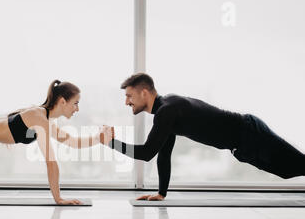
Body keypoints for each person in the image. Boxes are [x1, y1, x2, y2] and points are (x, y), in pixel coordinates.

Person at [107, 73, 305, 200]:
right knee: (288, 171)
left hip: (250, 133)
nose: (126, 102)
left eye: (129, 96)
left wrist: (110, 142)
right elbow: (163, 154)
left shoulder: (167, 110)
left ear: (144, 93)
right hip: (243, 144)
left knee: (297, 165)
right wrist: (161, 193)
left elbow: (147, 152)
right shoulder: (167, 109)